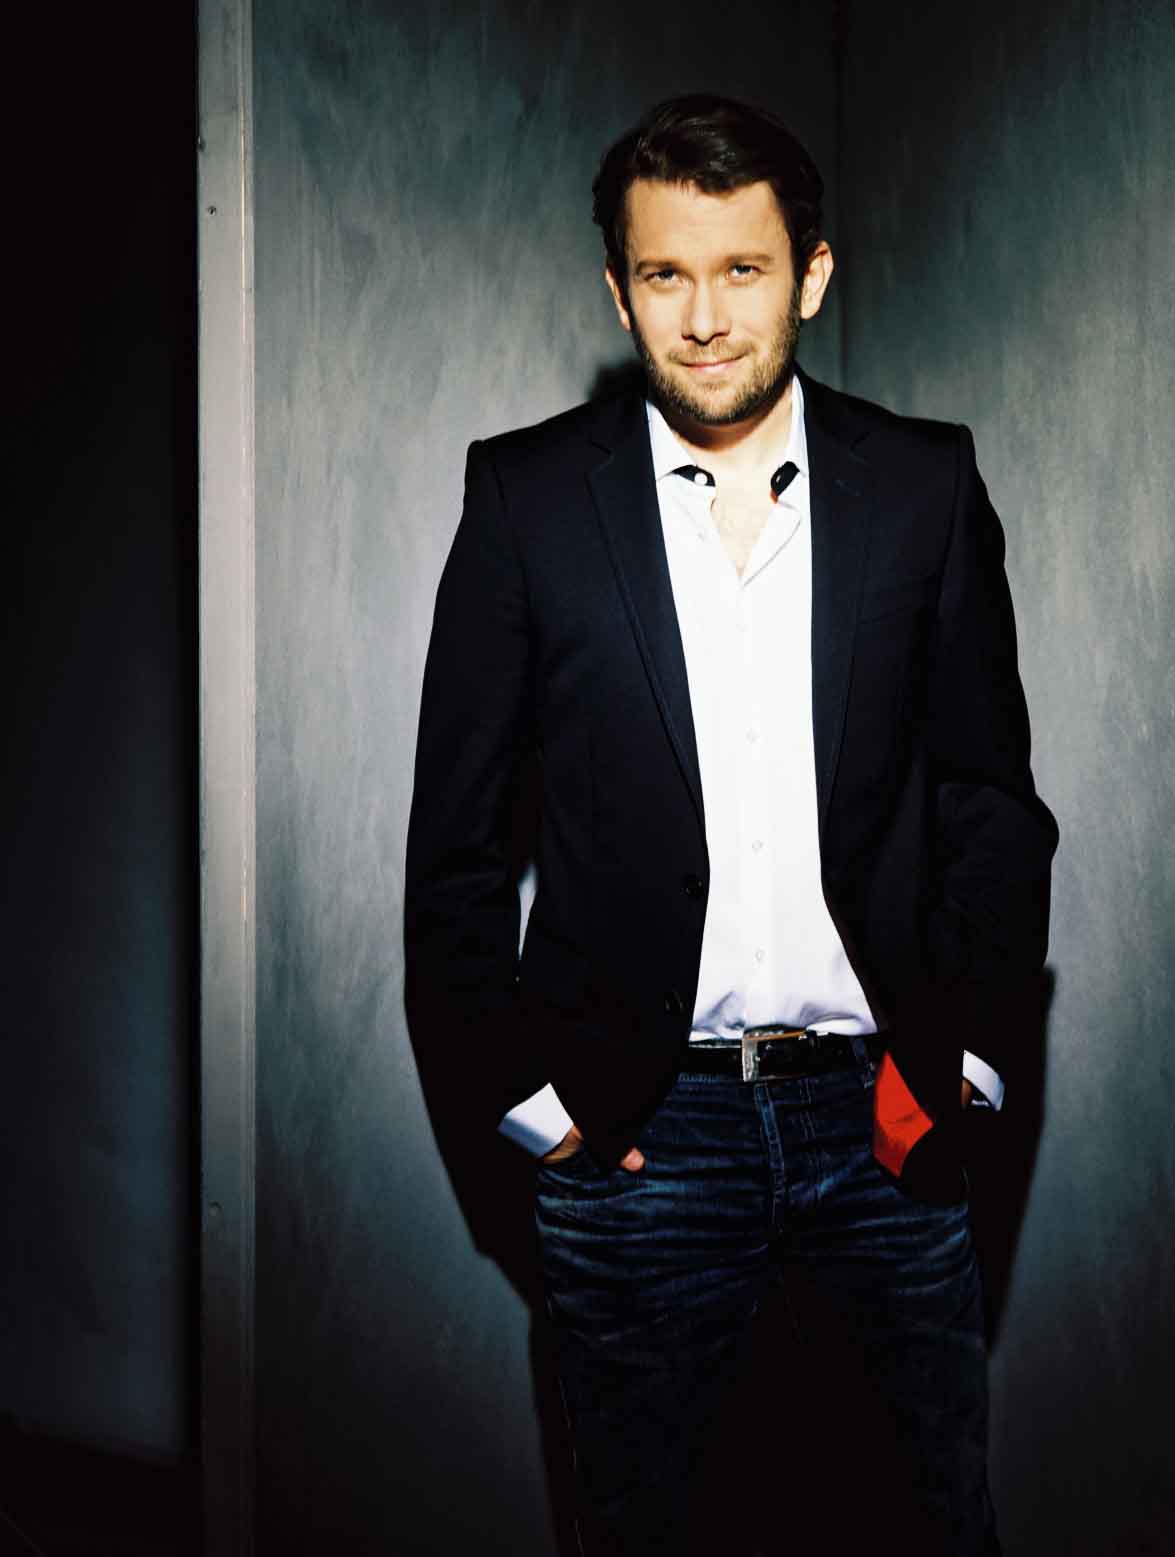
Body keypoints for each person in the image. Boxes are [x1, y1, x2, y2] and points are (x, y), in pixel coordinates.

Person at [404, 93, 1057, 1554]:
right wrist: (536, 1108)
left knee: (927, 1527)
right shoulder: (526, 498)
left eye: (742, 269)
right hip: (645, 1138)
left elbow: (990, 798)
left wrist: (962, 1064)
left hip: (885, 1123)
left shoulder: (925, 484)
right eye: (664, 274)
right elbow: (455, 847)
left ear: (811, 275)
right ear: (618, 288)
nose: (702, 319)